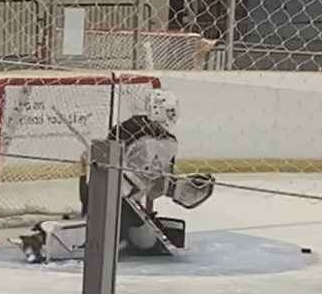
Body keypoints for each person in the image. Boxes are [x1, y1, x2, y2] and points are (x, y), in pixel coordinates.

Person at [19, 88, 214, 263]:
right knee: (112, 239)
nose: (171, 116)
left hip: (131, 204)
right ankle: (43, 235)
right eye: (169, 111)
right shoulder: (133, 127)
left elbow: (156, 189)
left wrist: (178, 189)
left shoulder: (169, 142)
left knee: (146, 243)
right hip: (110, 195)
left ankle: (102, 232)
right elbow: (104, 160)